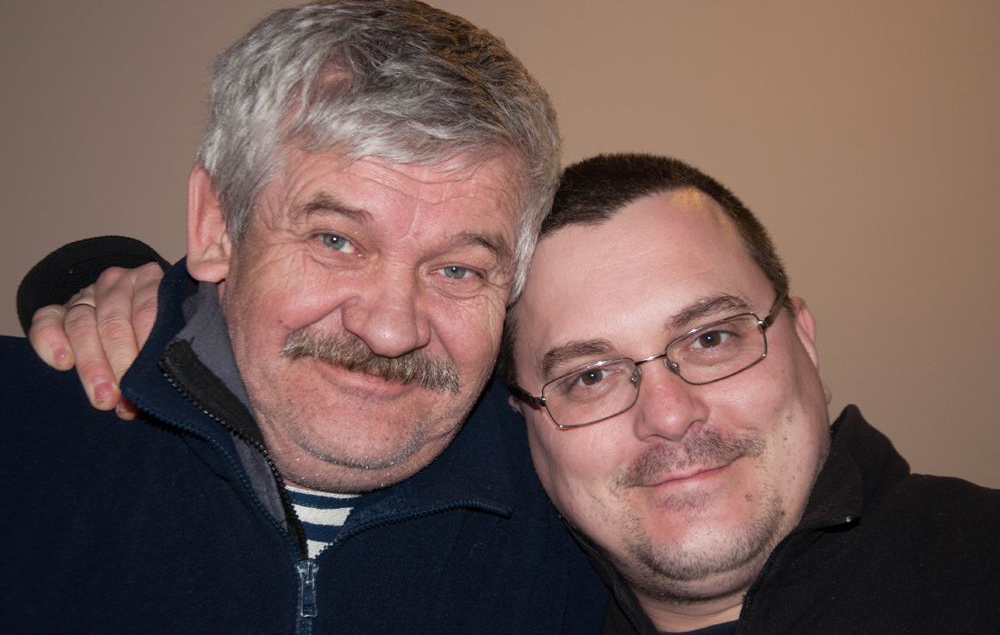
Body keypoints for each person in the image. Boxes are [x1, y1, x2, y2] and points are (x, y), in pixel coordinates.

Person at [30, 153, 1000, 634]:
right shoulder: (523, 592)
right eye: (588, 374)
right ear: (522, 422)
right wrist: (146, 299)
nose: (668, 415)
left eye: (710, 338)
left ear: (803, 336)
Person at [0, 0, 609, 634]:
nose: (390, 330)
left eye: (457, 270)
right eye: (335, 241)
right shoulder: (23, 442)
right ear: (215, 224)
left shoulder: (580, 521)